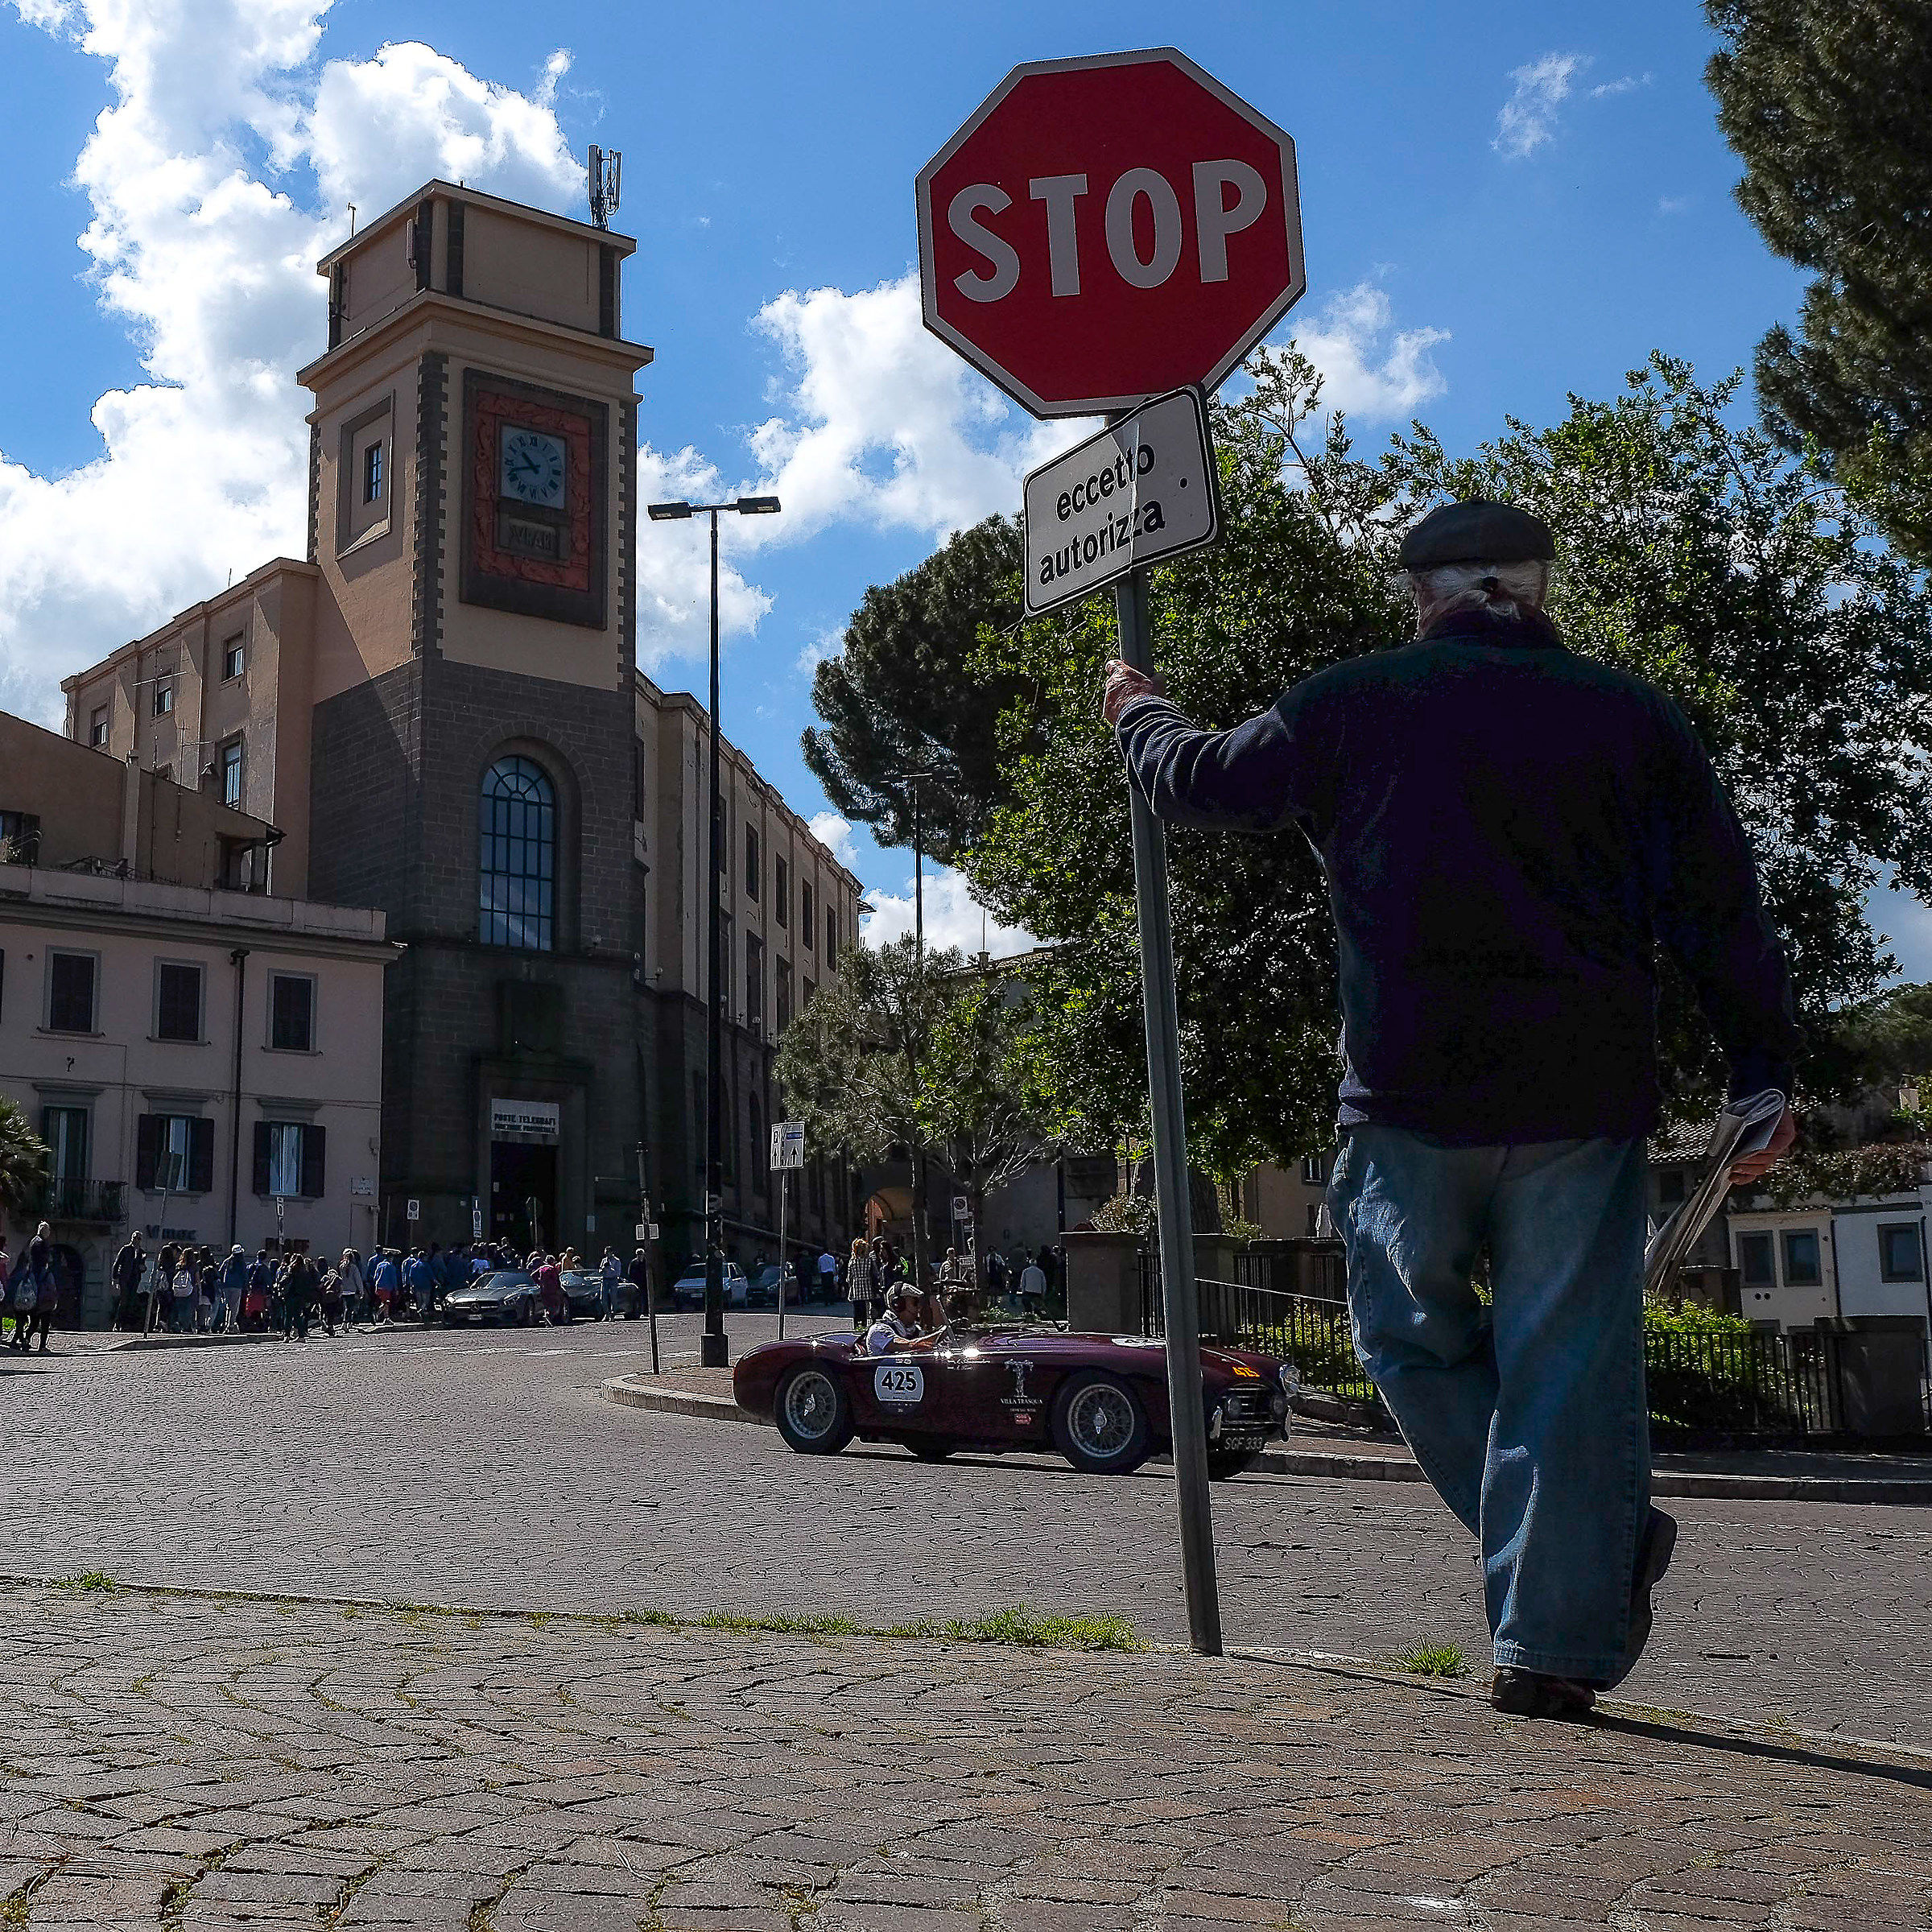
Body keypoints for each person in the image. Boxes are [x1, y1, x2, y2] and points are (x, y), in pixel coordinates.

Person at [1106, 497, 1801, 1721]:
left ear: (1421, 598)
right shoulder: (1634, 718)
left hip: (1407, 1098)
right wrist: (1762, 1076)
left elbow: (1206, 786)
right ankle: (1563, 1616)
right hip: (1583, 1105)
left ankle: (1573, 1591)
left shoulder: (1356, 697)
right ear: (1540, 591)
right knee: (1568, 1371)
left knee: (1405, 1346)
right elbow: (1719, 907)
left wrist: (1140, 714)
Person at [863, 1282, 945, 1356]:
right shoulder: (879, 1330)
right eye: (915, 1303)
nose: (919, 1308)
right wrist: (942, 1332)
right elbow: (909, 1345)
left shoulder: (915, 1330)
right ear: (898, 1305)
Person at [846, 1236, 880, 1335]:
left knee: (858, 1308)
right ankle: (870, 1324)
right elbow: (875, 1273)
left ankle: (858, 1326)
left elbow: (849, 1277)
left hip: (856, 1286)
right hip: (868, 1285)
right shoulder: (869, 1260)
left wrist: (851, 1285)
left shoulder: (852, 1261)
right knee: (870, 1306)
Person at [112, 1233, 146, 1331]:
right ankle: (118, 1323)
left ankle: (126, 1324)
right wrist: (115, 1278)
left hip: (135, 1279)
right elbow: (117, 1263)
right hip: (124, 1278)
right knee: (124, 1300)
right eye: (135, 1238)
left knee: (131, 1301)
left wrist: (143, 1268)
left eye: (139, 1239)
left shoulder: (141, 1252)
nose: (136, 1240)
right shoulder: (126, 1249)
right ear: (132, 1239)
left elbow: (142, 1266)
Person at [214, 1245, 250, 1335]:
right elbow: (245, 1275)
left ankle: (226, 1324)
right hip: (237, 1286)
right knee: (234, 1308)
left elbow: (220, 1273)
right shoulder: (241, 1263)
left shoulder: (227, 1261)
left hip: (226, 1286)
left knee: (228, 1307)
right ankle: (230, 1326)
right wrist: (246, 1286)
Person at [402, 1246, 433, 1323]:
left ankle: (412, 1315)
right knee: (425, 1301)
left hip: (410, 1284)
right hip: (424, 1285)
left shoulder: (406, 1262)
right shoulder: (421, 1263)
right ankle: (421, 1313)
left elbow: (407, 1274)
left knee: (415, 1301)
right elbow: (431, 1275)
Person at [369, 1249, 399, 1323]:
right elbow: (393, 1279)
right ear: (391, 1258)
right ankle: (377, 1314)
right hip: (387, 1287)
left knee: (384, 1301)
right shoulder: (391, 1266)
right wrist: (396, 1288)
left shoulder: (380, 1265)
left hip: (378, 1286)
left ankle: (386, 1318)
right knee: (386, 1302)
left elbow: (375, 1276)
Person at [535, 1253, 566, 1325]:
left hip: (543, 1289)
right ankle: (548, 1316)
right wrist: (559, 1287)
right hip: (553, 1290)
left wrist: (539, 1282)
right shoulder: (552, 1269)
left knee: (547, 1304)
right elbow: (556, 1279)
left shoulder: (541, 1268)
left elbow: (533, 1275)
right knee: (555, 1305)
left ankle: (547, 1318)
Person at [1016, 1253, 1048, 1320]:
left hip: (1028, 1291)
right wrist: (1043, 1292)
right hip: (1038, 1292)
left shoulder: (1026, 1271)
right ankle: (1039, 1316)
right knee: (1038, 1305)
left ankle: (1029, 1316)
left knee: (1026, 1303)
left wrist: (1023, 1290)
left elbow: (1023, 1282)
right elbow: (1043, 1283)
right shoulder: (1040, 1272)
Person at [625, 1245, 650, 1319]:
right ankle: (638, 1312)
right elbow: (630, 1273)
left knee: (646, 1297)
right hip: (637, 1283)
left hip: (645, 1282)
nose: (640, 1256)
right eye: (638, 1255)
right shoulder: (633, 1263)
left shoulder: (646, 1262)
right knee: (637, 1298)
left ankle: (646, 1311)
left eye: (641, 1254)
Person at [599, 1245, 623, 1321]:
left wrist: (609, 1268)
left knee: (613, 1298)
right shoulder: (604, 1260)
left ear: (612, 1252)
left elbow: (618, 1273)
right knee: (603, 1298)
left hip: (613, 1280)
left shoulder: (617, 1261)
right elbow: (599, 1271)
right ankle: (607, 1313)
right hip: (605, 1280)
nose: (606, 1254)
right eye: (605, 1252)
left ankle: (613, 1315)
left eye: (608, 1252)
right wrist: (603, 1269)